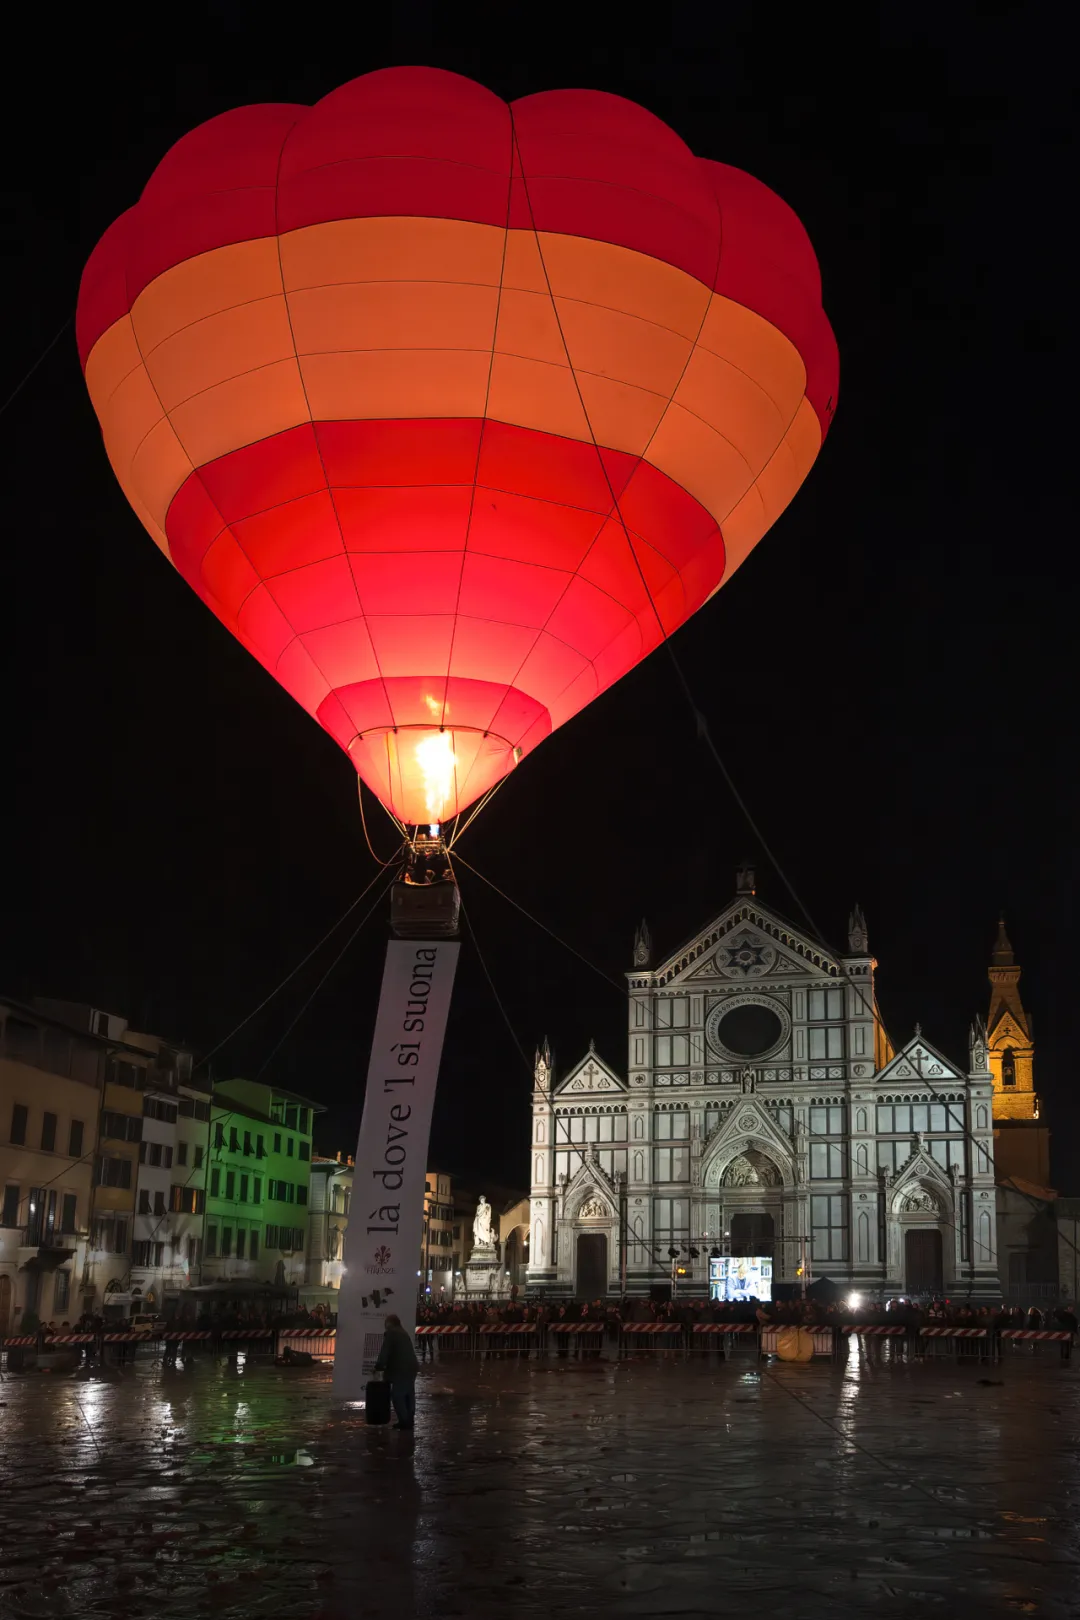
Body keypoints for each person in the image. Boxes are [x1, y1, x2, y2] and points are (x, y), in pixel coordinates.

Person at [373, 1313, 420, 1430]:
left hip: (401, 1369)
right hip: (412, 1367)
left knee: (397, 1395)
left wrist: (379, 1366)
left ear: (389, 1323)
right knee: (409, 1394)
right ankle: (409, 1419)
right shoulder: (403, 1333)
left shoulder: (392, 1333)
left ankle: (404, 1421)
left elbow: (385, 1352)